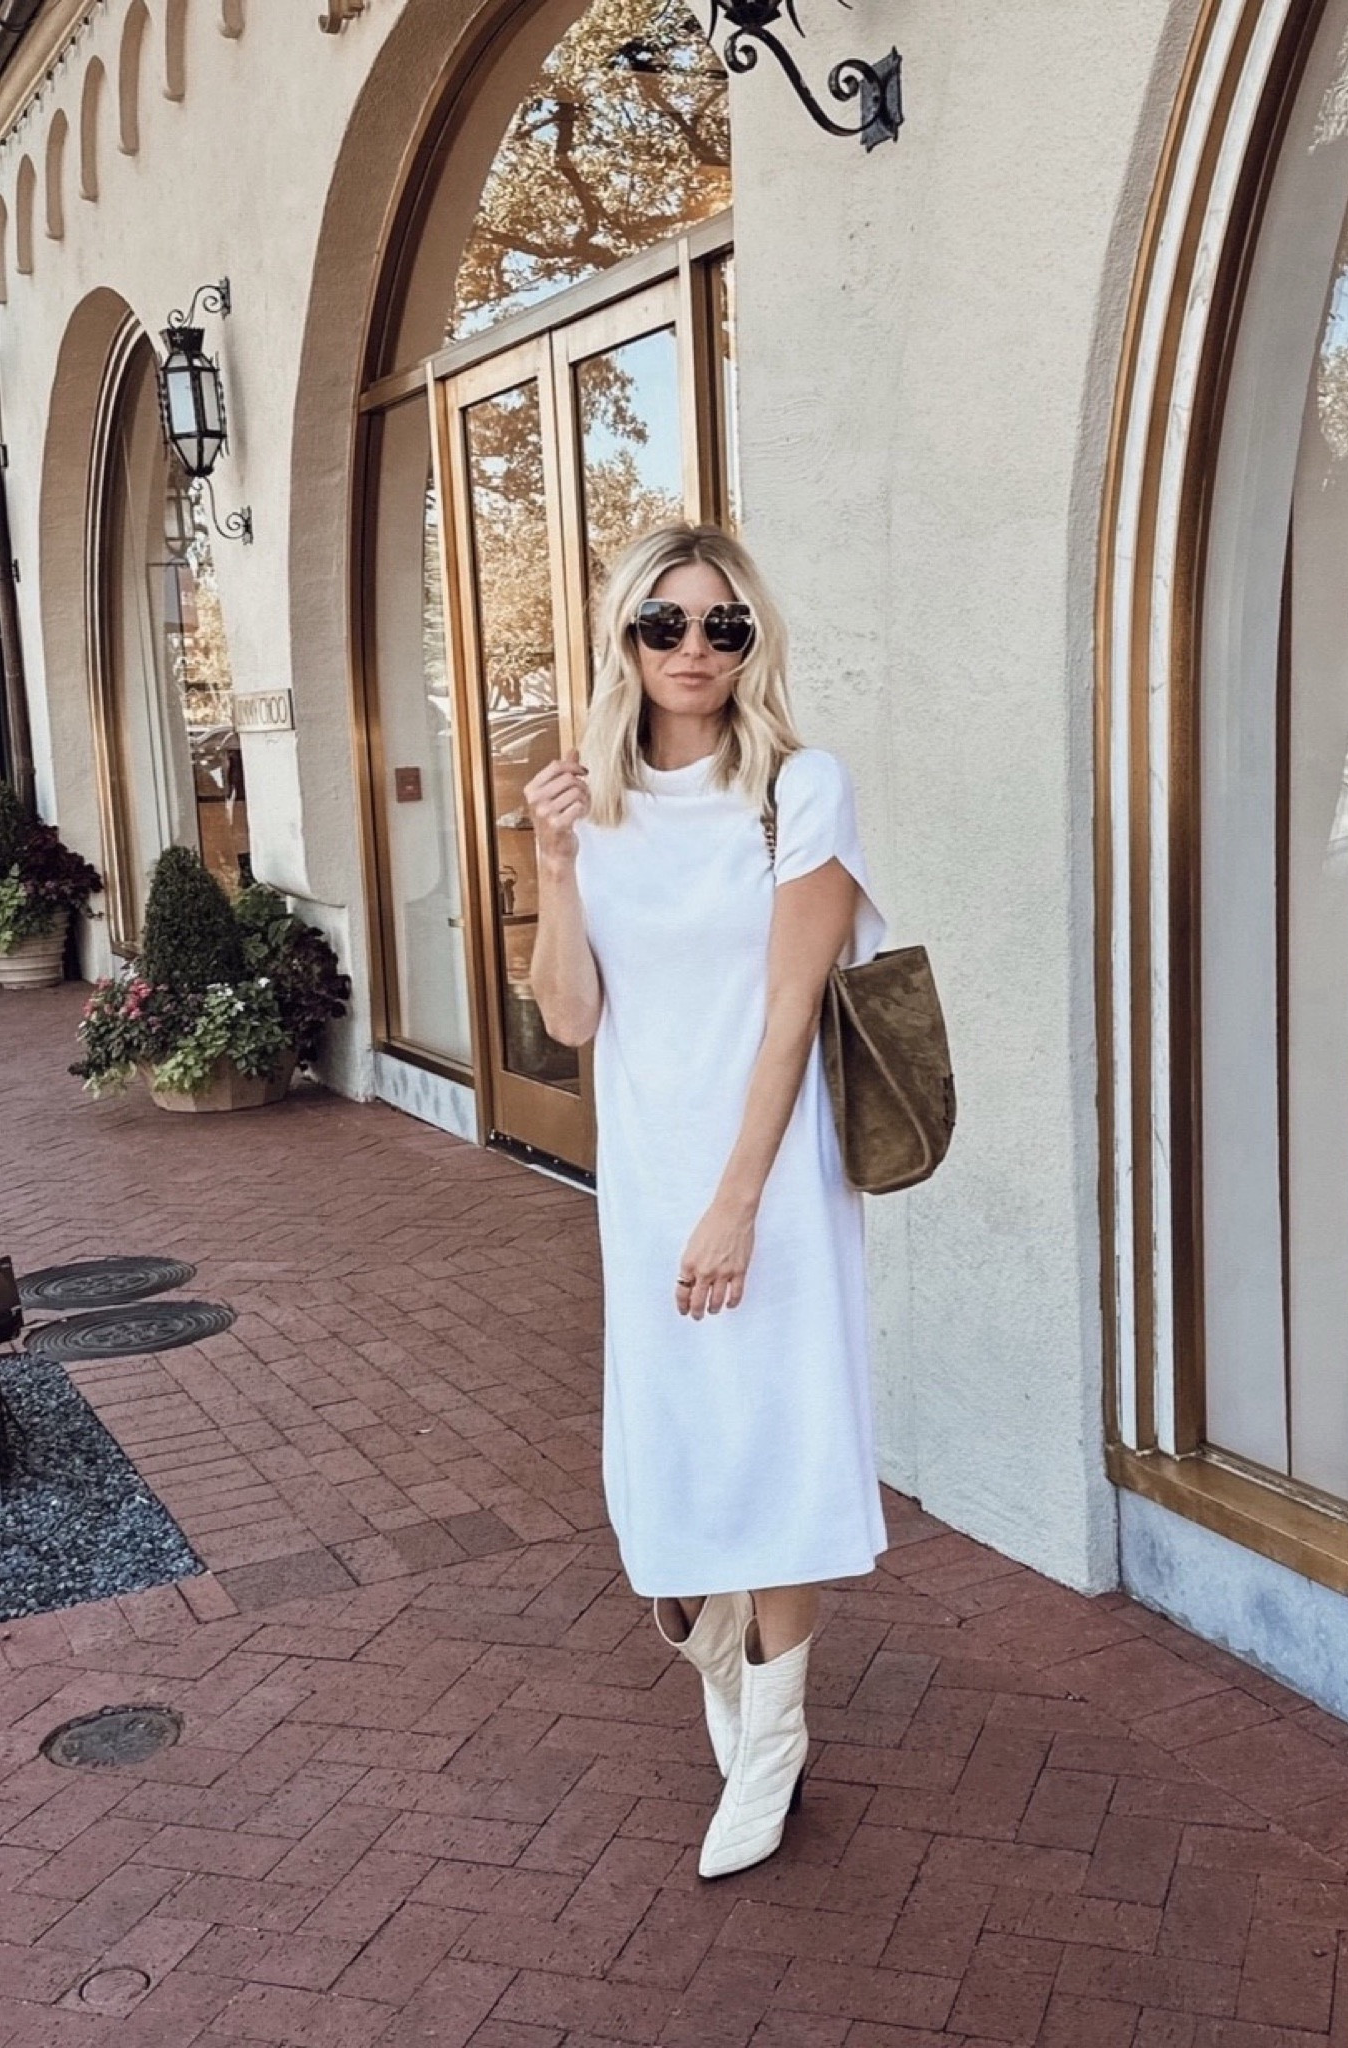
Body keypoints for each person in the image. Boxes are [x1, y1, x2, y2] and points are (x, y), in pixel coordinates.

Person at [522, 521, 888, 1880]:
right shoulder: (587, 804)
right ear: (622, 639)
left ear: (752, 642)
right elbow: (570, 1015)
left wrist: (737, 1201)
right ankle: (717, 1668)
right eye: (663, 625)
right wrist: (553, 869)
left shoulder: (799, 788)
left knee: (775, 1432)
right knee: (675, 1441)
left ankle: (777, 1734)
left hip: (770, 1176)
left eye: (721, 626)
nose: (692, 650)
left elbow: (791, 1016)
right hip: (646, 1179)